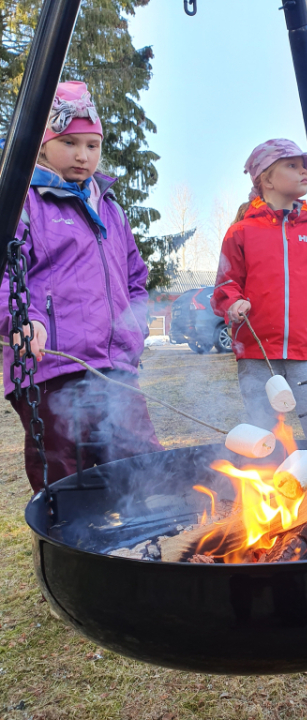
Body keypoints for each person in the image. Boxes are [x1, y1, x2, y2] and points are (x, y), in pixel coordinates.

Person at [0, 81, 162, 494]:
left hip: (114, 370)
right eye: (69, 142)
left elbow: (135, 279)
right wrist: (21, 319)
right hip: (52, 368)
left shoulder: (109, 207)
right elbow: (6, 274)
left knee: (139, 465)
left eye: (92, 145)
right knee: (66, 477)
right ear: (41, 144)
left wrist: (133, 328)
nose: (81, 155)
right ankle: (72, 553)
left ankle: (143, 548)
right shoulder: (24, 200)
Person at [211, 138, 307, 441]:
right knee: (264, 438)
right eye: (292, 165)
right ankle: (268, 487)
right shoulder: (241, 232)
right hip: (257, 356)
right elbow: (225, 284)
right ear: (266, 178)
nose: (304, 173)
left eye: (304, 167)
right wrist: (233, 303)